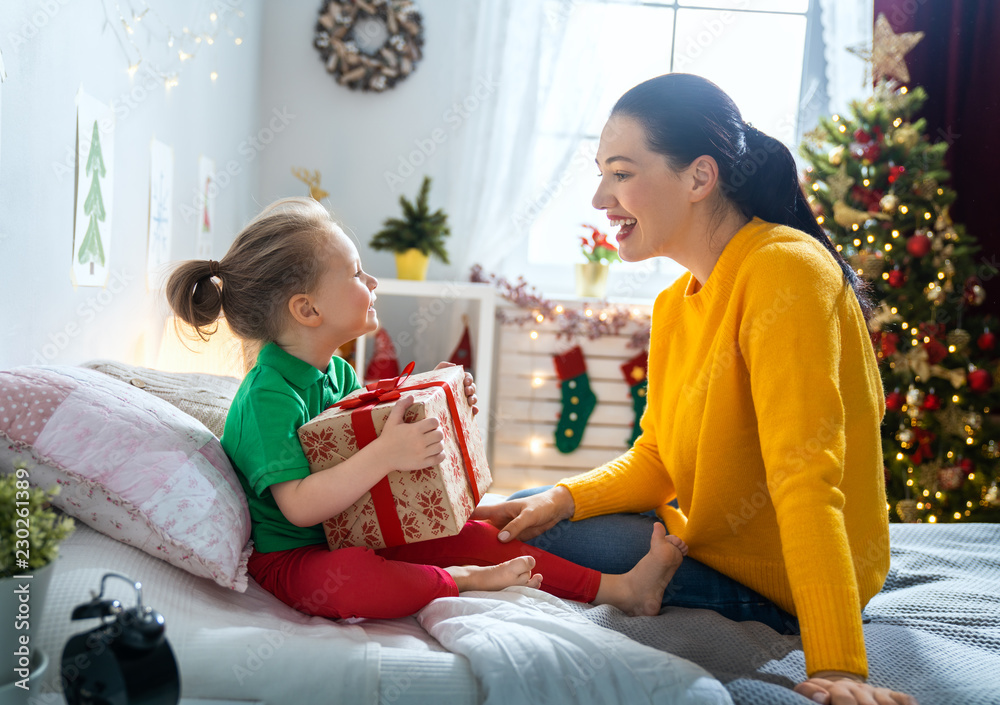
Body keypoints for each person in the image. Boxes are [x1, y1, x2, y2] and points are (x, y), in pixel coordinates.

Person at [474, 74, 917, 705]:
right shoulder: (674, 304)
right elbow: (657, 460)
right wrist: (565, 496)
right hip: (708, 541)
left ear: (699, 178)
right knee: (525, 509)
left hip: (778, 585)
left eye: (621, 173)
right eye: (600, 173)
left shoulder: (784, 269)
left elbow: (804, 474)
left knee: (508, 536)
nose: (601, 196)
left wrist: (842, 665)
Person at [165, 196, 687, 621]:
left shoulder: (339, 372)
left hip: (357, 527)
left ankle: (619, 590)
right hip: (296, 556)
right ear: (307, 309)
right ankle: (463, 581)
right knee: (346, 581)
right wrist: (387, 452)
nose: (370, 283)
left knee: (480, 534)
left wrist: (444, 399)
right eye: (355, 273)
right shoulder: (267, 395)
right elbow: (301, 506)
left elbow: (367, 454)